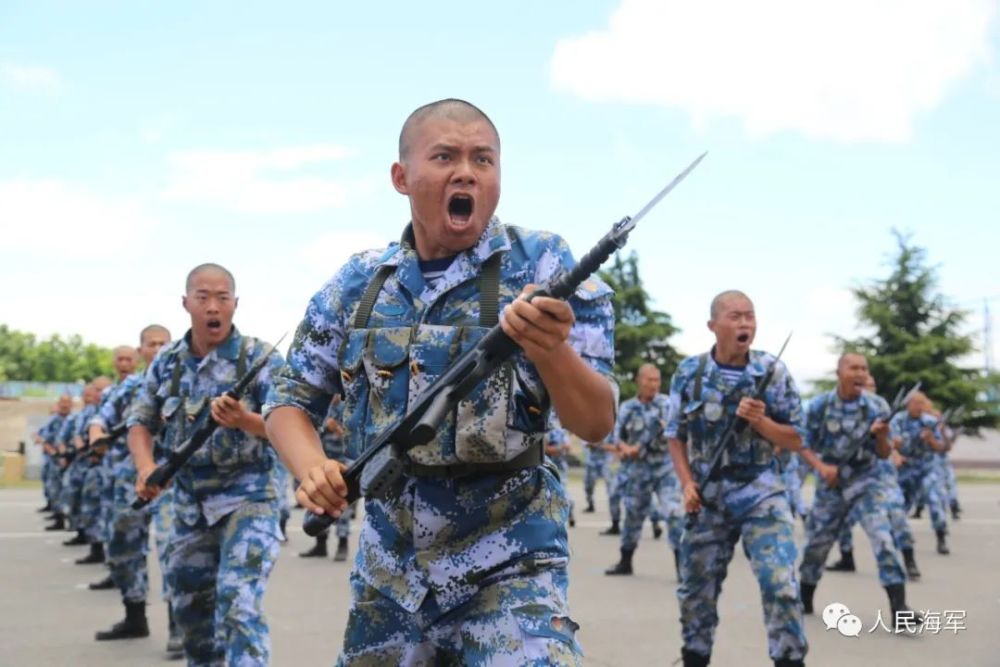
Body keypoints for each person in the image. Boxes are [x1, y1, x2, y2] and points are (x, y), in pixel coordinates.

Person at [264, 98, 616, 665]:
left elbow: (596, 420)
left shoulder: (545, 265)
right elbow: (290, 400)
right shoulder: (358, 283)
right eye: (445, 156)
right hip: (390, 576)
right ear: (401, 177)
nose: (466, 172)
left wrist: (551, 352)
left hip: (511, 566)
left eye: (483, 159)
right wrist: (312, 470)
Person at [128, 263, 285, 665]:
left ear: (235, 304)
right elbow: (140, 422)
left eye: (222, 297)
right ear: (186, 304)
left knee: (238, 603)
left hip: (250, 498)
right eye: (203, 298)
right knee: (191, 613)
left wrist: (245, 420)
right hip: (188, 504)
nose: (213, 307)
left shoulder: (259, 357)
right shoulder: (167, 362)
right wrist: (146, 469)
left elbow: (292, 425)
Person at [666, 290, 807, 667]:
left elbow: (796, 439)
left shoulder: (773, 373)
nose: (745, 323)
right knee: (696, 591)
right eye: (735, 316)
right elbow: (674, 434)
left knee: (781, 586)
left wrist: (762, 422)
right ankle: (694, 657)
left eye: (750, 316)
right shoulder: (689, 373)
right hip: (707, 496)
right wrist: (686, 484)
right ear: (713, 326)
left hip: (761, 491)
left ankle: (790, 660)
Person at [797, 353, 920, 628]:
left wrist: (880, 435)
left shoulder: (876, 405)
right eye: (854, 368)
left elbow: (885, 451)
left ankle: (899, 608)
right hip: (832, 483)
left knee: (883, 539)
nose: (860, 374)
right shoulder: (820, 406)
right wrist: (821, 467)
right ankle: (804, 598)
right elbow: (801, 442)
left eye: (864, 369)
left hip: (867, 480)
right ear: (839, 372)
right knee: (817, 545)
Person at [90, 325, 172, 644]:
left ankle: (180, 627)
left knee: (175, 550)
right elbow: (102, 417)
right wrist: (96, 433)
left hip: (175, 479)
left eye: (163, 343)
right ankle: (134, 616)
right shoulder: (130, 387)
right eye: (151, 344)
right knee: (123, 546)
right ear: (142, 352)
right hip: (132, 479)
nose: (158, 349)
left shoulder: (185, 378)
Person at [604, 364, 683, 577]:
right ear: (639, 381)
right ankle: (625, 560)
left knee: (674, 512)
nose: (654, 385)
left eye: (657, 380)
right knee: (633, 515)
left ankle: (682, 567)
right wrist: (625, 448)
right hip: (638, 469)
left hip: (665, 467)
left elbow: (674, 431)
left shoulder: (667, 404)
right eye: (649, 380)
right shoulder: (628, 407)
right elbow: (615, 435)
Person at [891, 392, 950, 555]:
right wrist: (896, 454)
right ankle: (897, 538)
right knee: (899, 507)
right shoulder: (898, 420)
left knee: (934, 500)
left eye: (922, 403)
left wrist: (931, 439)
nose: (919, 406)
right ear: (908, 404)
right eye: (916, 403)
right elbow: (890, 443)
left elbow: (943, 448)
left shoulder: (930, 422)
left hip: (926, 469)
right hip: (905, 469)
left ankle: (941, 537)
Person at [299, 395, 355, 561]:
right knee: (317, 502)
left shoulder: (349, 406)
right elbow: (309, 431)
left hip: (342, 464)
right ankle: (320, 544)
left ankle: (342, 544)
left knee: (341, 506)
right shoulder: (320, 405)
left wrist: (338, 429)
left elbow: (356, 435)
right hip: (321, 461)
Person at [545, 412, 576, 528]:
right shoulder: (544, 423)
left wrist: (558, 448)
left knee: (561, 490)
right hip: (545, 465)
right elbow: (545, 449)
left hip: (559, 466)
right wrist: (559, 448)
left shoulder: (560, 428)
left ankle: (568, 509)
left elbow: (568, 446)